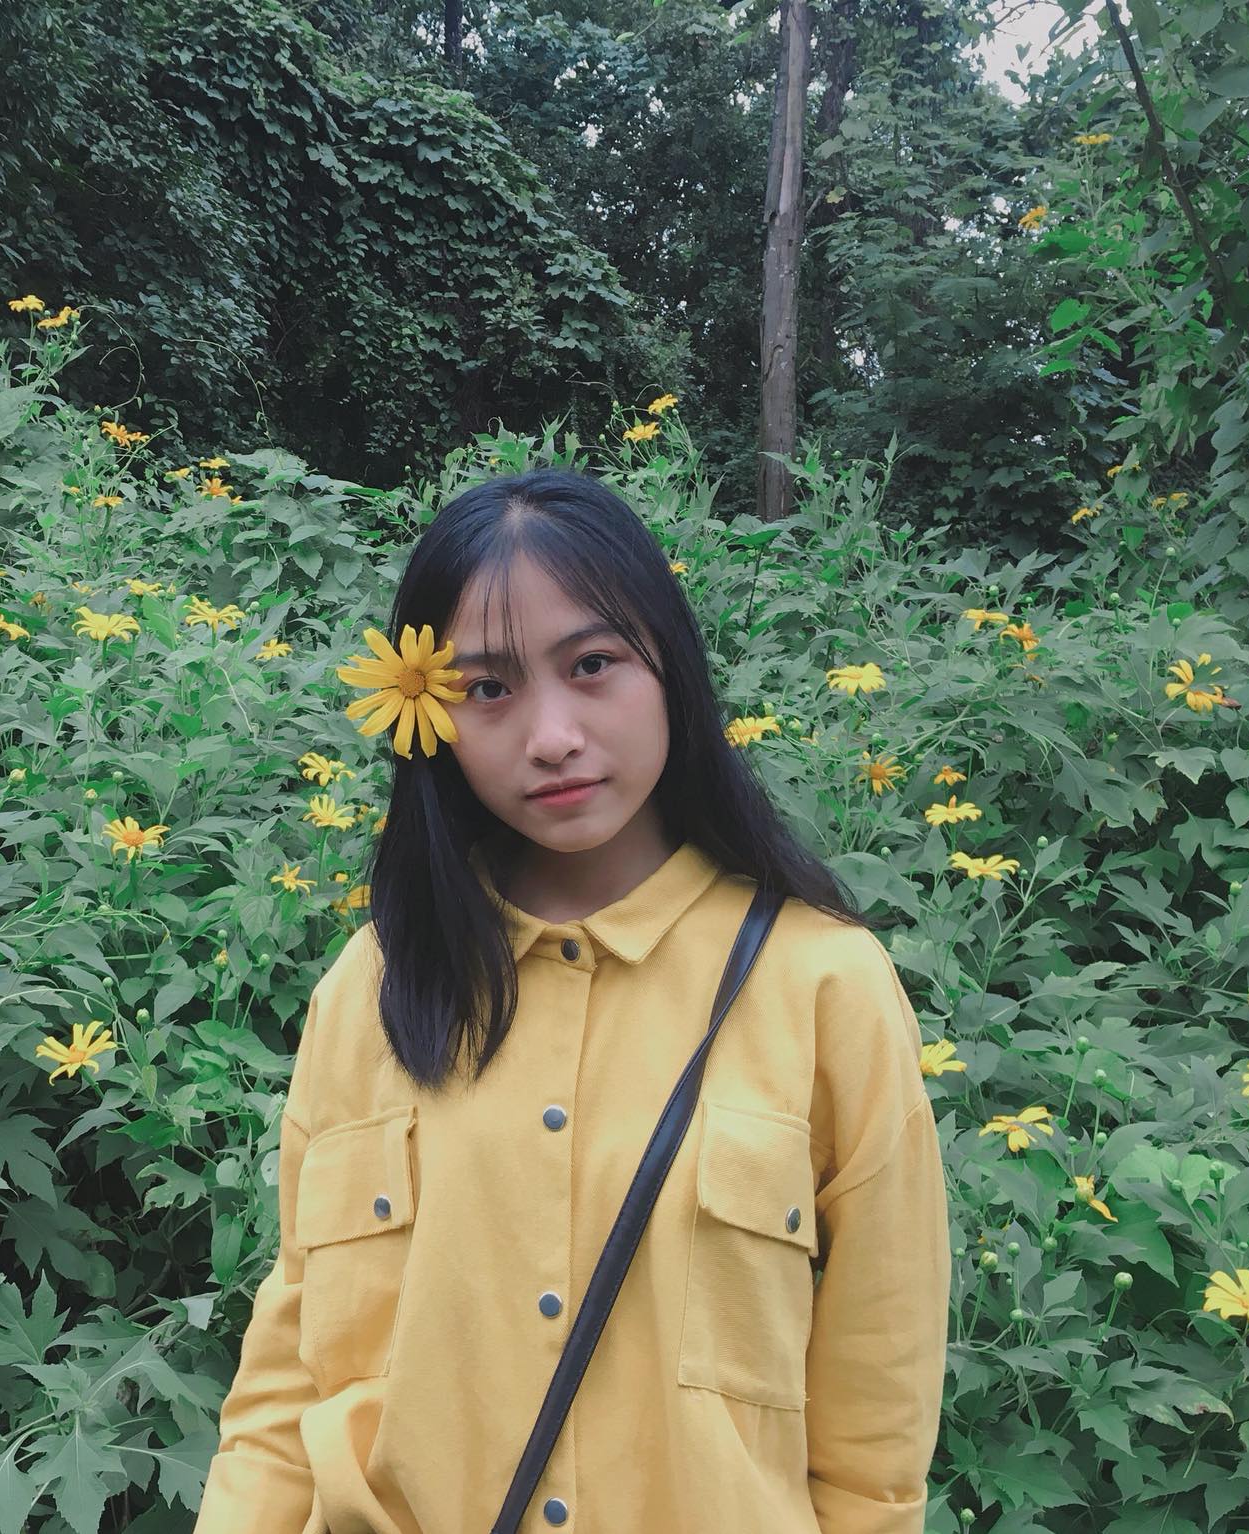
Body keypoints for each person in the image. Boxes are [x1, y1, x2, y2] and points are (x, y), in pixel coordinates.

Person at [194, 467, 950, 1533]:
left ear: (669, 667)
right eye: (487, 689)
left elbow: (877, 1437)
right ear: (427, 716)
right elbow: (286, 1376)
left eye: (592, 664)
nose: (550, 735)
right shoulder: (371, 987)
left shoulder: (823, 984)